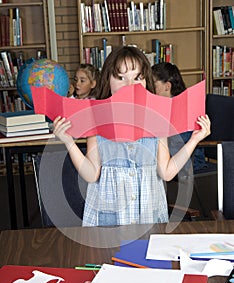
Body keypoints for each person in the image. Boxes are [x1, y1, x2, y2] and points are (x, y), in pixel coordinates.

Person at [53, 46, 210, 227]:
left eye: (137, 78)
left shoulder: (156, 118)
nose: (129, 85)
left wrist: (194, 140)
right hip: (109, 219)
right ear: (107, 80)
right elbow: (91, 174)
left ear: (145, 81)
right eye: (121, 77)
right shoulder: (96, 118)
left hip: (148, 215)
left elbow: (166, 172)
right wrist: (68, 142)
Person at [151, 62, 207, 175]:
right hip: (167, 159)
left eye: (154, 85)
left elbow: (178, 143)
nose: (150, 88)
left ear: (167, 86)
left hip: (190, 161)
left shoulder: (185, 108)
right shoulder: (158, 106)